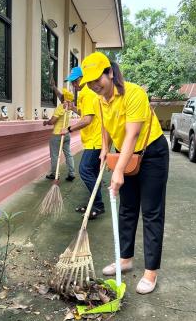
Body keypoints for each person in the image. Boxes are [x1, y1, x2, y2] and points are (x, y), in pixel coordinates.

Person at [79, 51, 169, 294]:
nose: (94, 85)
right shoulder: (100, 99)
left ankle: (151, 272)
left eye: (98, 79)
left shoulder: (133, 93)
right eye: (89, 82)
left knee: (151, 212)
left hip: (151, 153)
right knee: (127, 208)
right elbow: (107, 126)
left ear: (109, 73)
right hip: (125, 154)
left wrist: (118, 171)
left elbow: (132, 134)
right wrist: (105, 149)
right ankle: (125, 259)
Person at [59, 67, 105, 219]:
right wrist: (73, 108)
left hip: (95, 140)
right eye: (72, 82)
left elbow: (87, 120)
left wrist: (69, 128)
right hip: (95, 139)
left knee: (85, 170)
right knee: (93, 172)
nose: (73, 85)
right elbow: (86, 114)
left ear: (81, 79)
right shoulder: (86, 94)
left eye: (74, 81)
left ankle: (97, 205)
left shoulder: (87, 93)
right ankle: (94, 203)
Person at [43, 90, 76, 181]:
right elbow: (60, 95)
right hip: (66, 133)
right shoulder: (69, 107)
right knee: (68, 154)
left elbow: (52, 121)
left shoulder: (61, 107)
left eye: (62, 96)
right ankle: (72, 173)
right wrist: (53, 87)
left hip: (57, 134)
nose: (60, 96)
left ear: (64, 98)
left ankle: (55, 173)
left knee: (54, 155)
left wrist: (46, 122)